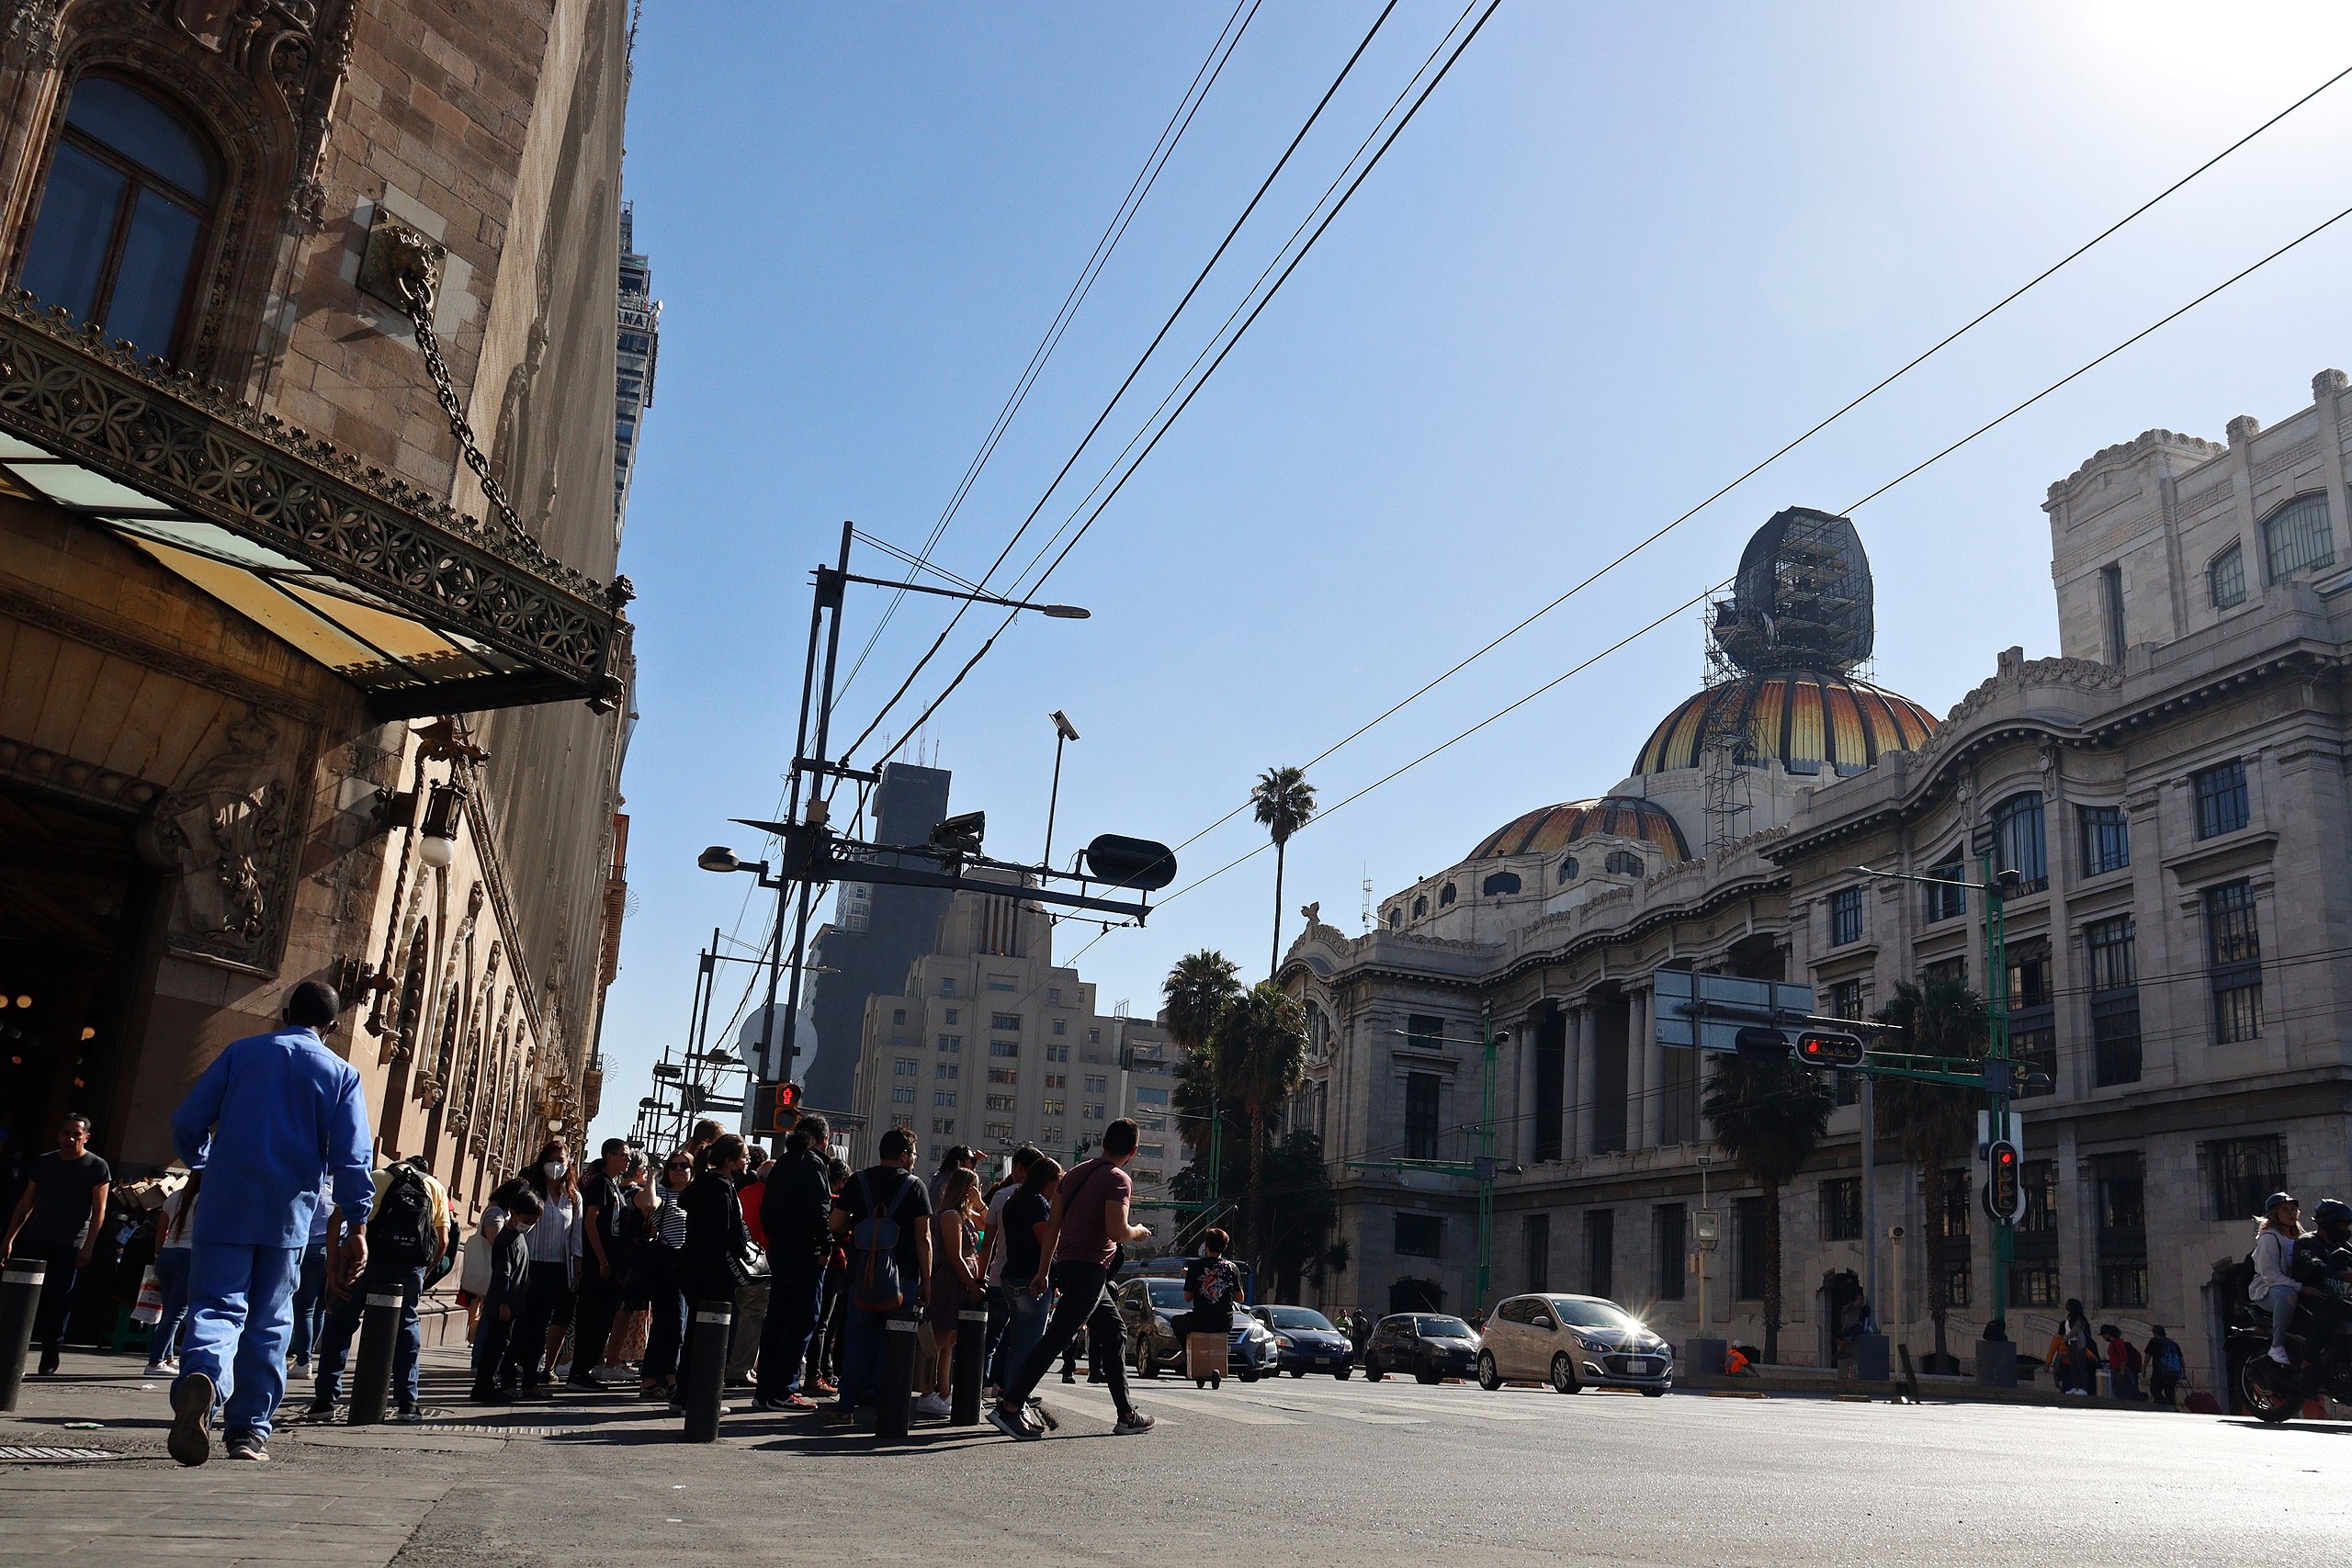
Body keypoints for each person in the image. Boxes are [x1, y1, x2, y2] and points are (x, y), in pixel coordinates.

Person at [165, 980, 373, 1466]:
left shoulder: (241, 1054)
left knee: (216, 1304)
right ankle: (249, 1431)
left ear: (283, 1012)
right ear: (334, 1025)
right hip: (288, 1212)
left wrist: (203, 1159)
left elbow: (188, 1120)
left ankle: (206, 1377)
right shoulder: (341, 1074)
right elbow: (353, 1159)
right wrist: (356, 1225)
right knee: (271, 1318)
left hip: (225, 1204)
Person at [989, 1117, 1156, 1440]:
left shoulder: (1076, 1173)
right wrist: (1137, 1233)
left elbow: (1052, 1226)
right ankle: (1009, 1408)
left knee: (1115, 1330)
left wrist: (1043, 1270)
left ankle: (1126, 1414)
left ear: (1104, 1141)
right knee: (1055, 1338)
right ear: (1133, 1151)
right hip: (1090, 1268)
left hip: (1068, 1264)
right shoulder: (1118, 1179)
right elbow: (1116, 1230)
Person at [308, 1155, 449, 1423]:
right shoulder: (435, 1187)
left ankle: (325, 1400)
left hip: (365, 1264)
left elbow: (337, 1219)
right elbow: (442, 1242)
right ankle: (408, 1402)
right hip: (408, 1270)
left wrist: (334, 1269)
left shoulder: (375, 1177)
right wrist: (423, 1274)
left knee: (341, 1323)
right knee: (407, 1329)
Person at [828, 1126, 933, 1426]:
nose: (914, 1159)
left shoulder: (858, 1180)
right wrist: (927, 1281)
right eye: (913, 1154)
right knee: (894, 1345)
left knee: (858, 1340)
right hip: (904, 1279)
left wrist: (861, 1227)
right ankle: (883, 1410)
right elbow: (923, 1237)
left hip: (863, 1275)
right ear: (903, 1155)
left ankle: (846, 1405)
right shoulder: (915, 1186)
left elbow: (835, 1224)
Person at [1, 1114, 111, 1377]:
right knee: (22, 1298)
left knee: (58, 1300)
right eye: (65, 1133)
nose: (70, 1139)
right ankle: (13, 1351)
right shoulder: (44, 1163)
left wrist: (89, 1246)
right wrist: (9, 1239)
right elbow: (26, 1203)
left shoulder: (96, 1166)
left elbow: (99, 1210)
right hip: (36, 1239)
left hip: (69, 1243)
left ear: (86, 1137)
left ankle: (51, 1352)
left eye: (76, 1135)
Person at [754, 1114, 833, 1412]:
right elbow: (819, 1211)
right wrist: (826, 1245)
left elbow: (767, 1211)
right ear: (820, 1139)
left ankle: (765, 1390)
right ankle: (783, 1390)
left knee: (776, 1319)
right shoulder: (813, 1164)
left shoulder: (782, 1164)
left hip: (779, 1251)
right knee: (804, 1319)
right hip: (805, 1253)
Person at [673, 1134, 758, 1408]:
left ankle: (686, 1395)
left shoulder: (703, 1185)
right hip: (713, 1275)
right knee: (713, 1337)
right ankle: (701, 1397)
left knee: (697, 1337)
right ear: (730, 1161)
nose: (747, 1161)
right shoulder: (720, 1189)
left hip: (695, 1270)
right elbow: (723, 1234)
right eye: (744, 1156)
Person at [501, 1139, 579, 1392]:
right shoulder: (531, 1192)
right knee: (522, 1324)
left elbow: (576, 1239)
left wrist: (577, 1272)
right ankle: (508, 1375)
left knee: (540, 1328)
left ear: (569, 1163)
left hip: (556, 1268)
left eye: (561, 1160)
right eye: (551, 1160)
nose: (556, 1165)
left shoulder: (572, 1197)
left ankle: (532, 1380)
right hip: (529, 1265)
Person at [917, 1168, 985, 1419]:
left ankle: (944, 1392)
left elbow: (989, 1221)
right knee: (938, 1339)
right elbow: (955, 1257)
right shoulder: (951, 1216)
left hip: (961, 1282)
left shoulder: (966, 1215)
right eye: (975, 1186)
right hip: (951, 1282)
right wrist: (972, 1285)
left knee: (950, 1341)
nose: (978, 1190)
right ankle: (927, 1392)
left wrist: (979, 1202)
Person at [566, 1138, 631, 1392]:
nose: (627, 1160)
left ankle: (586, 1370)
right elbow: (590, 1222)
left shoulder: (614, 1186)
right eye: (623, 1155)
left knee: (604, 1319)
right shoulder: (600, 1184)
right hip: (599, 1264)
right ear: (610, 1156)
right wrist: (602, 1259)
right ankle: (578, 1372)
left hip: (614, 1263)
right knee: (592, 1318)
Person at [993, 1157, 1059, 1401]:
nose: (1056, 1190)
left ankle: (1009, 1390)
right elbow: (1046, 1241)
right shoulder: (1037, 1202)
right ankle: (1015, 1397)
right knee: (1028, 1343)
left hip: (1010, 1276)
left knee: (1017, 1340)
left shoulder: (1014, 1200)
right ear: (1048, 1180)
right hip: (1030, 1279)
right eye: (1057, 1182)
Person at [977, 1145, 1040, 1393]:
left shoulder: (1001, 1196)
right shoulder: (1038, 1198)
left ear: (1018, 1168)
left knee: (990, 1338)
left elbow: (988, 1242)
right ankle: (1008, 1388)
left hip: (997, 1277)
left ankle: (979, 1387)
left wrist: (980, 1276)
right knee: (1019, 1338)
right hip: (1027, 1279)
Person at [470, 1188, 541, 1402]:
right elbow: (503, 1274)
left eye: (533, 1222)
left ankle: (488, 1384)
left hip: (513, 1303)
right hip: (502, 1305)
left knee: (502, 1345)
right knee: (496, 1347)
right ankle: (483, 1386)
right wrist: (503, 1303)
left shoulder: (518, 1237)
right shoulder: (506, 1240)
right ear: (514, 1212)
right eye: (526, 1220)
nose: (528, 1226)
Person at [635, 1148, 693, 1402]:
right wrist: (652, 1178)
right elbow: (647, 1205)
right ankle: (668, 1378)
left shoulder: (696, 1196)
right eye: (673, 1166)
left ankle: (656, 1379)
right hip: (667, 1262)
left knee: (672, 1324)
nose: (679, 1170)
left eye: (684, 1166)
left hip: (688, 1263)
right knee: (674, 1324)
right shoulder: (664, 1193)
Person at [143, 1170, 201, 1375]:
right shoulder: (206, 1199)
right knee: (177, 1313)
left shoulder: (175, 1196)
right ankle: (155, 1362)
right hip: (188, 1256)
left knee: (168, 1310)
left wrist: (158, 1254)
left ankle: (167, 1357)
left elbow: (161, 1229)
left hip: (167, 1253)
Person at [806, 1156, 852, 1395]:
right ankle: (818, 1373)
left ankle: (819, 1370)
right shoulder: (839, 1204)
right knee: (825, 1323)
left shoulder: (817, 1201)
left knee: (818, 1320)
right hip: (833, 1264)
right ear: (842, 1181)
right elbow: (841, 1231)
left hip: (813, 1261)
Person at [2252, 1190, 2305, 1367]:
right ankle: (2277, 1346)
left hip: (2293, 1285)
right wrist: (2301, 1288)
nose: (2291, 1213)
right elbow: (2271, 1276)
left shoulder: (2301, 1237)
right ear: (2274, 1214)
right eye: (2285, 1209)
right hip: (2269, 1290)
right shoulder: (2269, 1238)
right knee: (2287, 1295)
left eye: (2293, 1209)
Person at [287, 1177, 331, 1373]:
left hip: (311, 1247)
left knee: (305, 1308)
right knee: (319, 1309)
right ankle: (307, 1356)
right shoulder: (338, 1187)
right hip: (333, 1249)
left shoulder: (315, 1185)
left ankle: (304, 1360)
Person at [1180, 1228, 1243, 1345]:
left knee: (1176, 1323)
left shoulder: (1196, 1266)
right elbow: (1240, 1298)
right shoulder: (1232, 1267)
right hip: (1224, 1322)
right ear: (1224, 1247)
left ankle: (1188, 1353)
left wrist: (1189, 1278)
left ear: (1206, 1246)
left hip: (1201, 1320)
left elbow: (1188, 1298)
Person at [457, 1207, 501, 1342]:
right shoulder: (496, 1214)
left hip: (478, 1272)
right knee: (479, 1304)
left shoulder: (492, 1211)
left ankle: (472, 1335)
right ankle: (473, 1335)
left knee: (475, 1304)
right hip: (486, 1270)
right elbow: (494, 1241)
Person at [2059, 1299, 2098, 1393]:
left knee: (2080, 1365)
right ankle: (2076, 1387)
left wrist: (2066, 1337)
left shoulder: (2079, 1318)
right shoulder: (2069, 1317)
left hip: (2078, 1343)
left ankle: (2083, 1388)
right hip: (2070, 1343)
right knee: (2073, 1366)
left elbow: (2075, 1330)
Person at [2143, 1324, 2184, 1408]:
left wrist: (2144, 1368)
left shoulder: (2154, 1341)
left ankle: (2166, 1405)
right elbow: (2180, 1358)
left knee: (2155, 1390)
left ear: (2155, 1333)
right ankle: (2172, 1407)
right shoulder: (2173, 1343)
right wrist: (2183, 1371)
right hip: (2173, 1373)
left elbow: (2148, 1355)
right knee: (2170, 1392)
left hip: (2159, 1372)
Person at [2098, 1325, 2141, 1400]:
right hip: (2115, 1368)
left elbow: (2123, 1356)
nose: (2103, 1337)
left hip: (2120, 1369)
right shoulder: (2113, 1342)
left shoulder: (2117, 1342)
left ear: (2107, 1334)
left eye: (2103, 1335)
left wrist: (2122, 1370)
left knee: (2124, 1388)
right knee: (2118, 1388)